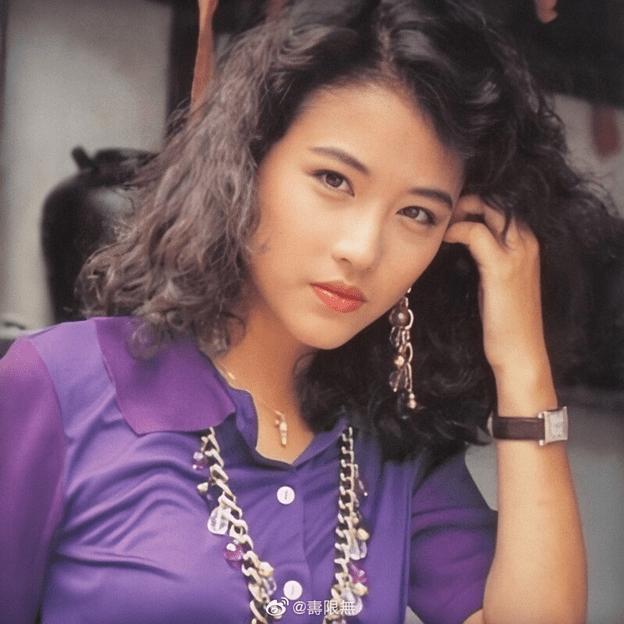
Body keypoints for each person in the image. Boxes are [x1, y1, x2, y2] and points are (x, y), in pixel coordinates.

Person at [2, 0, 619, 622]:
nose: (363, 249)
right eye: (334, 180)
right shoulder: (61, 386)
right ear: (248, 159)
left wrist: (522, 362)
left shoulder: (394, 447)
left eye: (417, 214)